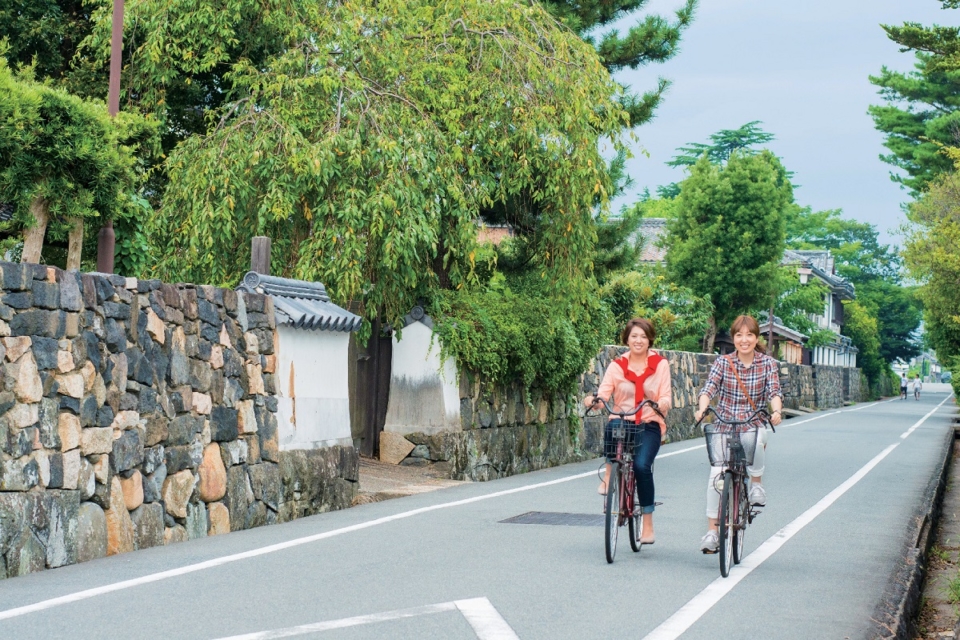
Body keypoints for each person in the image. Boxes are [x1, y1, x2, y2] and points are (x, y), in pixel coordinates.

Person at [694, 315, 783, 554]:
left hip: (751, 422)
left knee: (756, 438)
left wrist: (776, 411)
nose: (744, 340)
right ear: (733, 338)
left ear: (756, 338)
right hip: (724, 423)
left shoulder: (767, 364)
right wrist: (703, 407)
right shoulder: (723, 363)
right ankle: (713, 532)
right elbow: (708, 388)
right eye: (739, 335)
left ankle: (756, 485)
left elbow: (774, 391)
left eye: (749, 335)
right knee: (716, 474)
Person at [584, 318, 672, 545]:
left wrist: (660, 404)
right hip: (623, 420)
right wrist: (594, 401)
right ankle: (609, 475)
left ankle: (648, 524)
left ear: (650, 339)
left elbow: (665, 396)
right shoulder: (617, 366)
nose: (638, 340)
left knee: (642, 466)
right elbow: (604, 396)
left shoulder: (660, 364)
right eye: (634, 336)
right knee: (614, 425)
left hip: (649, 423)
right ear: (627, 339)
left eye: (643, 336)